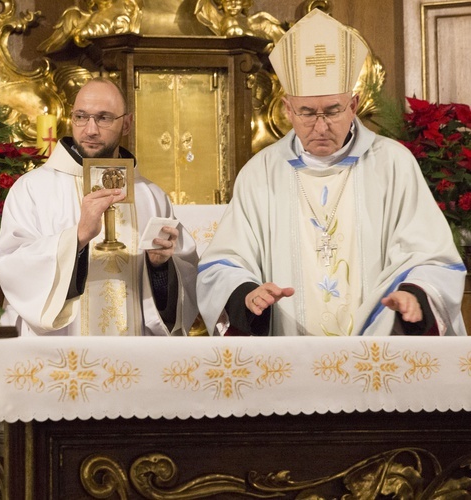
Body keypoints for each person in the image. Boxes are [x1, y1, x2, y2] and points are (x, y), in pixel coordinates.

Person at [197, 9, 467, 337]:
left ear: (353, 105)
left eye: (333, 111)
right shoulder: (261, 173)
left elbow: (433, 257)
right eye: (307, 112)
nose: (321, 126)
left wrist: (415, 295)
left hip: (376, 355)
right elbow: (225, 264)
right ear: (287, 109)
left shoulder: (393, 164)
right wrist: (247, 295)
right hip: (289, 359)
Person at [0, 77, 198, 336]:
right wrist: (76, 239)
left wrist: (159, 268)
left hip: (134, 357)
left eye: (104, 118)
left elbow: (184, 288)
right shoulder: (33, 189)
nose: (90, 130)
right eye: (81, 116)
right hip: (61, 356)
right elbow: (13, 267)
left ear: (127, 124)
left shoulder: (152, 197)